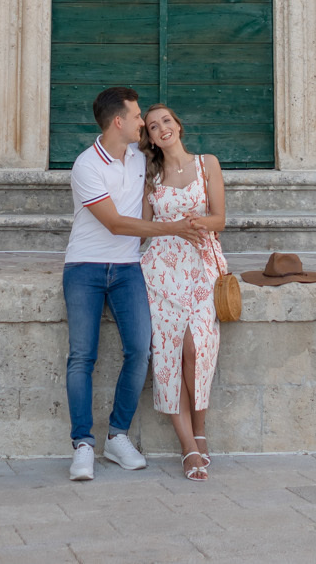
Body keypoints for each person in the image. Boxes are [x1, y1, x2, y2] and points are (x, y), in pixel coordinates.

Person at [64, 86, 198, 482]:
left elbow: (176, 160)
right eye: (139, 116)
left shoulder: (140, 158)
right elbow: (116, 224)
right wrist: (170, 229)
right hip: (85, 267)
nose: (144, 123)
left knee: (140, 350)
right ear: (118, 121)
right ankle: (83, 445)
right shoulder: (86, 165)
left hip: (127, 268)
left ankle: (117, 437)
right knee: (81, 357)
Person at [138, 104, 228, 481]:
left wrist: (190, 224)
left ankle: (201, 429)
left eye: (167, 121)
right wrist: (172, 228)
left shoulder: (208, 164)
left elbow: (220, 219)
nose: (162, 129)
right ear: (150, 137)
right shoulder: (148, 176)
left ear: (179, 125)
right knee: (169, 353)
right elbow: (144, 227)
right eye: (154, 126)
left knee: (197, 348)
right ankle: (189, 446)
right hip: (160, 269)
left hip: (201, 263)